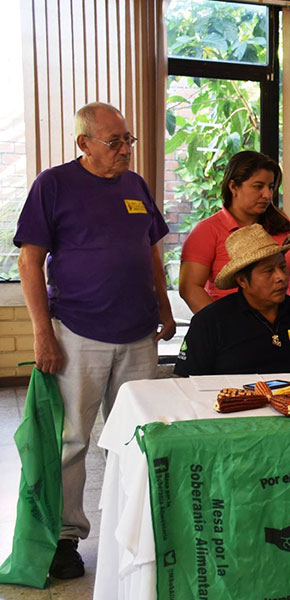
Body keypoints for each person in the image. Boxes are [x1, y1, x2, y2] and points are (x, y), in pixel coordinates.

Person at [14, 101, 175, 579]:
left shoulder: (135, 185)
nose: (126, 149)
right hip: (78, 332)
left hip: (138, 334)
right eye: (115, 141)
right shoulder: (54, 184)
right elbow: (29, 261)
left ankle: (137, 529)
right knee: (72, 440)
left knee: (137, 437)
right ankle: (65, 537)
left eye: (128, 140)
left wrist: (164, 306)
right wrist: (43, 334)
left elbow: (151, 252)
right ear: (84, 143)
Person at [174, 224, 290, 376]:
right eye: (268, 271)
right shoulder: (210, 322)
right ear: (242, 280)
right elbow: (186, 382)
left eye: (282, 267)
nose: (281, 277)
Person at [179, 150, 290, 314]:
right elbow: (190, 288)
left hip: (284, 321)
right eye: (258, 186)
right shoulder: (207, 231)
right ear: (233, 186)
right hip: (231, 324)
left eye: (270, 187)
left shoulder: (283, 225)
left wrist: (269, 295)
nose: (267, 194)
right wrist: (221, 324)